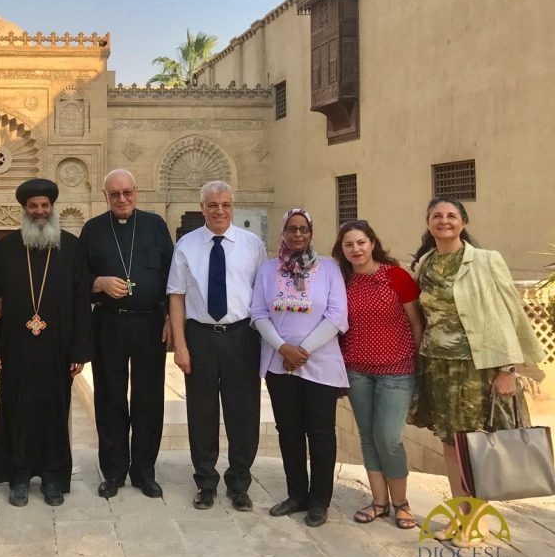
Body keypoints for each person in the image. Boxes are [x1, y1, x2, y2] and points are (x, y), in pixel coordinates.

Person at [407, 198, 544, 542]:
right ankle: (459, 514)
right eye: (437, 216)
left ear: (463, 222)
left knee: (475, 442)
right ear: (428, 222)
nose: (444, 221)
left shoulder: (485, 260)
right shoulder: (424, 263)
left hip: (476, 367)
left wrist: (508, 369)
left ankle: (477, 520)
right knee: (450, 442)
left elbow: (506, 312)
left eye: (451, 215)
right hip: (437, 366)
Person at [0, 178, 92, 507]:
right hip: (16, 345)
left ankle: (53, 478)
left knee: (54, 410)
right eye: (33, 206)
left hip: (58, 346)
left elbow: (81, 300)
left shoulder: (72, 247)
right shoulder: (6, 248)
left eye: (45, 205)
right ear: (25, 210)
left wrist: (80, 349)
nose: (40, 211)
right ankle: (18, 476)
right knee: (16, 409)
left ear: (52, 208)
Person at [167, 181, 266, 512]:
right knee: (202, 413)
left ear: (233, 206)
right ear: (202, 207)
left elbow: (262, 295)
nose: (219, 211)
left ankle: (239, 483)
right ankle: (206, 482)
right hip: (201, 337)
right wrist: (180, 346)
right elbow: (177, 297)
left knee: (244, 413)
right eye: (212, 205)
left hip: (242, 336)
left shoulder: (252, 244)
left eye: (225, 204)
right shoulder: (186, 245)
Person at [79, 169, 174, 499]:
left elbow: (172, 275)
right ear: (105, 196)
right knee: (109, 397)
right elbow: (78, 277)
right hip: (108, 322)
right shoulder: (93, 229)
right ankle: (114, 471)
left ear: (136, 192)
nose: (122, 199)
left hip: (150, 323)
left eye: (127, 193)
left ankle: (144, 472)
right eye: (115, 194)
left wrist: (170, 317)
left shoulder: (155, 225)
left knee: (149, 398)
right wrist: (99, 283)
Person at [250, 208, 348, 528]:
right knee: (289, 431)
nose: (297, 234)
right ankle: (297, 495)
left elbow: (337, 315)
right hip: (280, 365)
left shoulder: (329, 269)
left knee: (320, 433)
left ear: (311, 232)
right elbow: (258, 313)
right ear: (283, 232)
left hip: (320, 364)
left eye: (303, 229)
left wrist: (302, 351)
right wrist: (283, 348)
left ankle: (319, 501)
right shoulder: (268, 270)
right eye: (291, 229)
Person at [332, 220, 423, 530]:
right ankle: (379, 502)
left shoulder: (396, 277)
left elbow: (416, 322)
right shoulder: (342, 282)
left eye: (361, 242)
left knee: (389, 438)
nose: (356, 249)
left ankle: (401, 503)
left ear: (372, 243)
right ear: (342, 250)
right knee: (368, 437)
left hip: (396, 371)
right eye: (349, 245)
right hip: (357, 371)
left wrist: (418, 361)